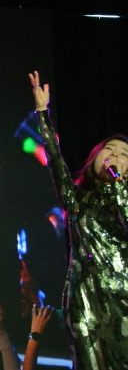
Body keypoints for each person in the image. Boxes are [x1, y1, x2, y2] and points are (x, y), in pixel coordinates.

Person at [30, 70, 128, 370]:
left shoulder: (123, 199)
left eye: (123, 154)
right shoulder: (76, 199)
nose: (114, 155)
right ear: (95, 156)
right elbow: (55, 159)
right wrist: (43, 113)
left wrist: (120, 187)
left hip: (124, 296)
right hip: (84, 297)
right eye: (108, 149)